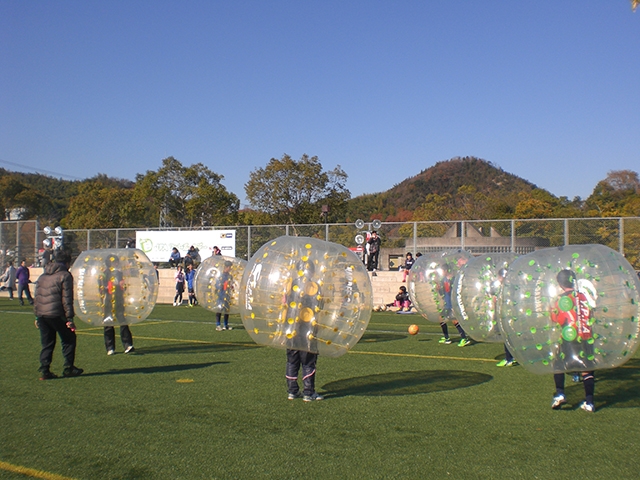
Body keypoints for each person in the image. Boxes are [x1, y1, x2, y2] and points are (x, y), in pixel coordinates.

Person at [550, 269, 596, 412]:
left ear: (559, 283)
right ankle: (589, 402)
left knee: (558, 364)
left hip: (570, 335)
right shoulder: (583, 296)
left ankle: (560, 393)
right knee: (587, 368)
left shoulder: (562, 299)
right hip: (587, 335)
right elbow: (592, 312)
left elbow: (557, 318)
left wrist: (551, 311)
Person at [34, 250, 83, 380]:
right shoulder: (65, 275)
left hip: (43, 314)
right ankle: (68, 367)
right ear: (67, 263)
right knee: (69, 339)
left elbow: (37, 297)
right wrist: (69, 318)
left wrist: (37, 316)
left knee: (47, 343)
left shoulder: (42, 276)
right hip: (56, 313)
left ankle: (45, 370)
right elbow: (67, 298)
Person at [285, 259, 323, 402]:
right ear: (311, 271)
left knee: (292, 359)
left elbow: (286, 303)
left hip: (291, 328)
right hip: (308, 329)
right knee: (308, 360)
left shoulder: (292, 284)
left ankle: (292, 391)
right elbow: (320, 304)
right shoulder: (314, 286)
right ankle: (308, 392)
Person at [101, 255, 135, 355]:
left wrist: (122, 285)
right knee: (108, 323)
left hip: (118, 300)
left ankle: (127, 344)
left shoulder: (119, 273)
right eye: (114, 262)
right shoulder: (104, 273)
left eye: (116, 262)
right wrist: (108, 287)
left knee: (122, 321)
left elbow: (123, 285)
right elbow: (102, 287)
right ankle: (110, 347)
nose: (116, 264)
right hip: (108, 301)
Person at [438, 265, 471, 347]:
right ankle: (446, 338)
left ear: (446, 270)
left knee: (455, 321)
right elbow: (442, 292)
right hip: (447, 303)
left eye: (442, 270)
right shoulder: (443, 279)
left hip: (452, 303)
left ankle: (464, 338)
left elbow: (453, 291)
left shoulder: (453, 279)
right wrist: (438, 288)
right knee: (441, 319)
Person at [215, 261, 233, 330]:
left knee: (227, 310)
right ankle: (218, 325)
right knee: (219, 309)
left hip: (227, 295)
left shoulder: (230, 276)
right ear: (226, 267)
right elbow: (217, 285)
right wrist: (225, 284)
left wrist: (231, 286)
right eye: (230, 267)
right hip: (221, 294)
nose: (230, 269)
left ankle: (226, 324)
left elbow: (231, 284)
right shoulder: (221, 276)